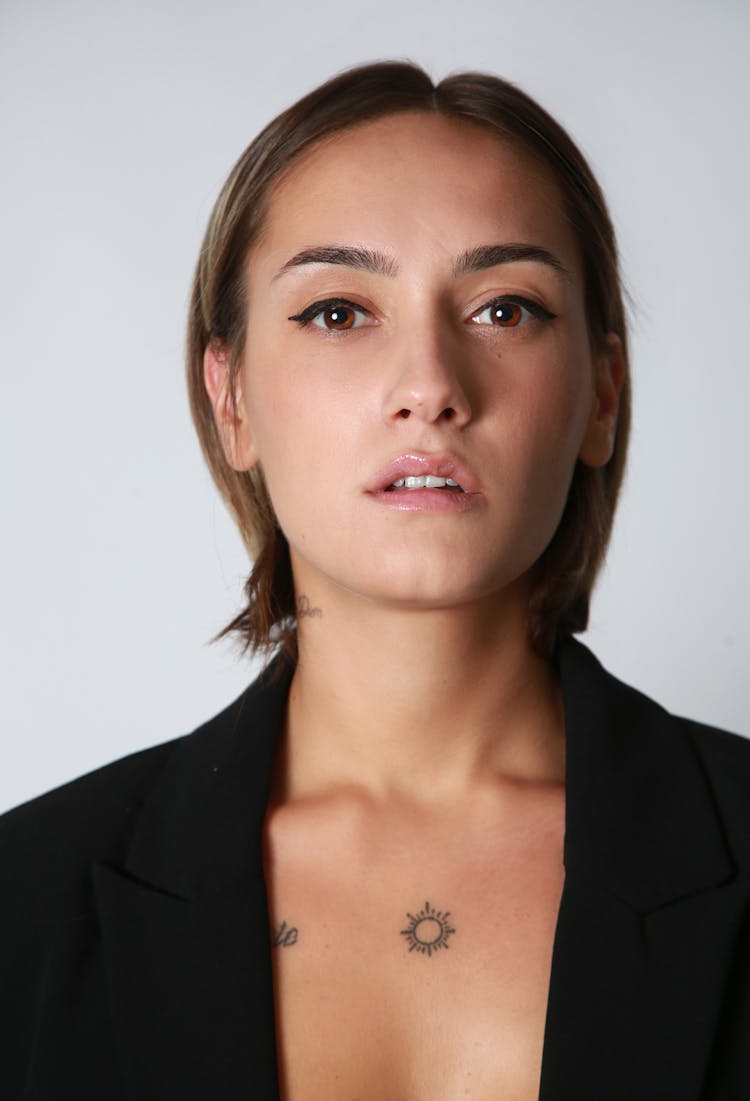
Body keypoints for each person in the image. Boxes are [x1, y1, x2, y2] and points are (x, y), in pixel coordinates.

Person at [1, 60, 749, 1101]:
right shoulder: (24, 900)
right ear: (232, 401)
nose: (431, 387)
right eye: (340, 313)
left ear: (602, 397)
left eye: (506, 310)